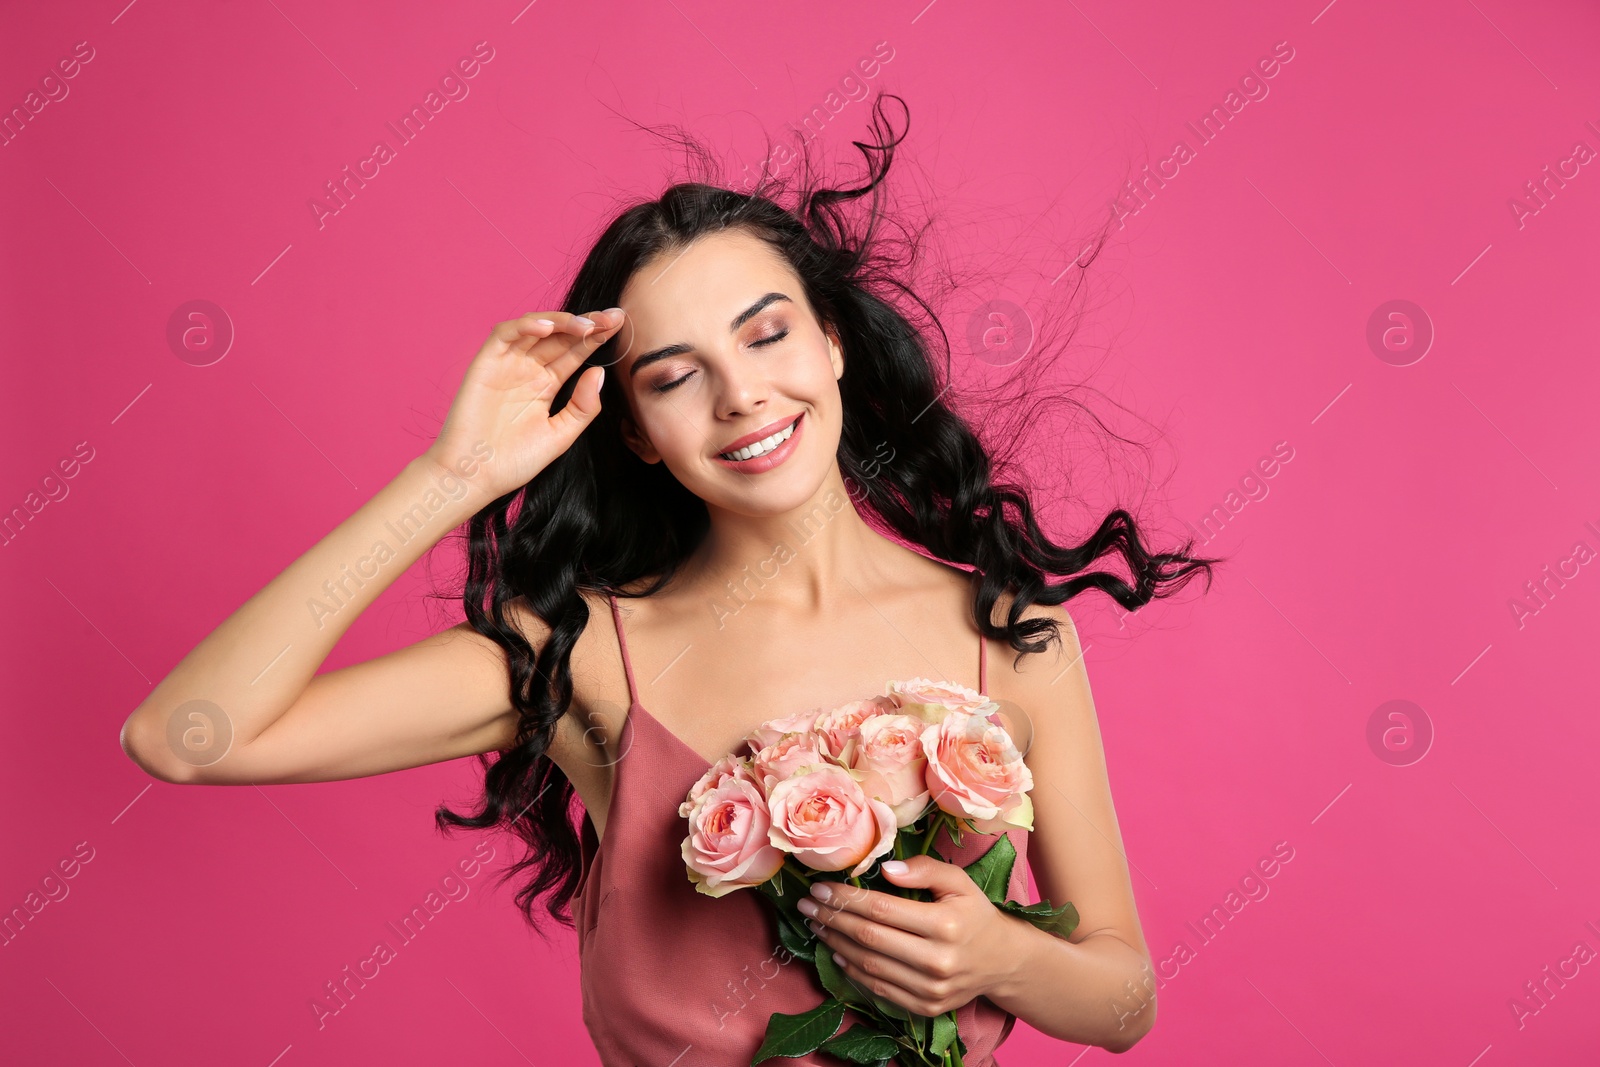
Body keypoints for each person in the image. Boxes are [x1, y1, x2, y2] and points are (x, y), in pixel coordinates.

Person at [120, 95, 1215, 1064]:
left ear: (831, 342)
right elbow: (186, 734)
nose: (741, 397)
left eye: (767, 335)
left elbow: (1122, 999)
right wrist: (447, 477)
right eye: (676, 376)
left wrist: (995, 953)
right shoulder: (583, 655)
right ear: (636, 430)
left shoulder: (1011, 636)